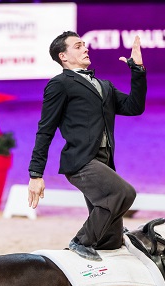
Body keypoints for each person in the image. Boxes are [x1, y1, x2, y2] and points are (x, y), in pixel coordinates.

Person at [28, 31, 147, 261]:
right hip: (81, 162)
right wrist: (36, 173)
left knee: (111, 241)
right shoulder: (59, 84)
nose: (85, 48)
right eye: (78, 46)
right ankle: (81, 241)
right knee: (123, 192)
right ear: (63, 56)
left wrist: (137, 69)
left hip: (105, 162)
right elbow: (45, 129)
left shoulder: (104, 85)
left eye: (85, 45)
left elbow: (135, 106)